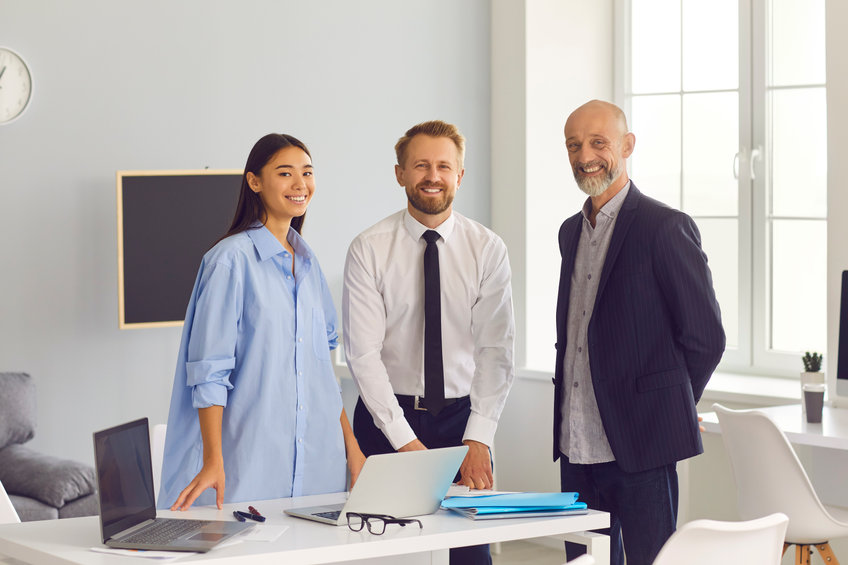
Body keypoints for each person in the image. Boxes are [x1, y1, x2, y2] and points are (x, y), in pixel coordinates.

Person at [553, 100, 725, 565]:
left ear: (627, 145)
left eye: (598, 142)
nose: (585, 155)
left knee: (651, 560)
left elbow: (706, 338)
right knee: (584, 562)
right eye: (574, 145)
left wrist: (662, 407)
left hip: (642, 447)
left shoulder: (664, 227)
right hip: (576, 445)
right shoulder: (571, 231)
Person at [158, 133, 366, 510]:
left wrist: (352, 449)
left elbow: (322, 374)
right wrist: (212, 460)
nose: (300, 184)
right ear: (254, 182)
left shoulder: (308, 263)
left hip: (320, 470)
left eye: (307, 173)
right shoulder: (229, 262)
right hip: (248, 471)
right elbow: (209, 373)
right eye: (285, 173)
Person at [343, 120, 514, 564]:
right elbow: (363, 356)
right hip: (386, 421)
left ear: (460, 175)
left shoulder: (487, 249)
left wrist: (479, 438)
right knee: (384, 554)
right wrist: (406, 444)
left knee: (468, 557)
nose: (432, 176)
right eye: (421, 165)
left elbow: (497, 351)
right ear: (400, 173)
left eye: (443, 166)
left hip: (462, 423)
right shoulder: (369, 249)